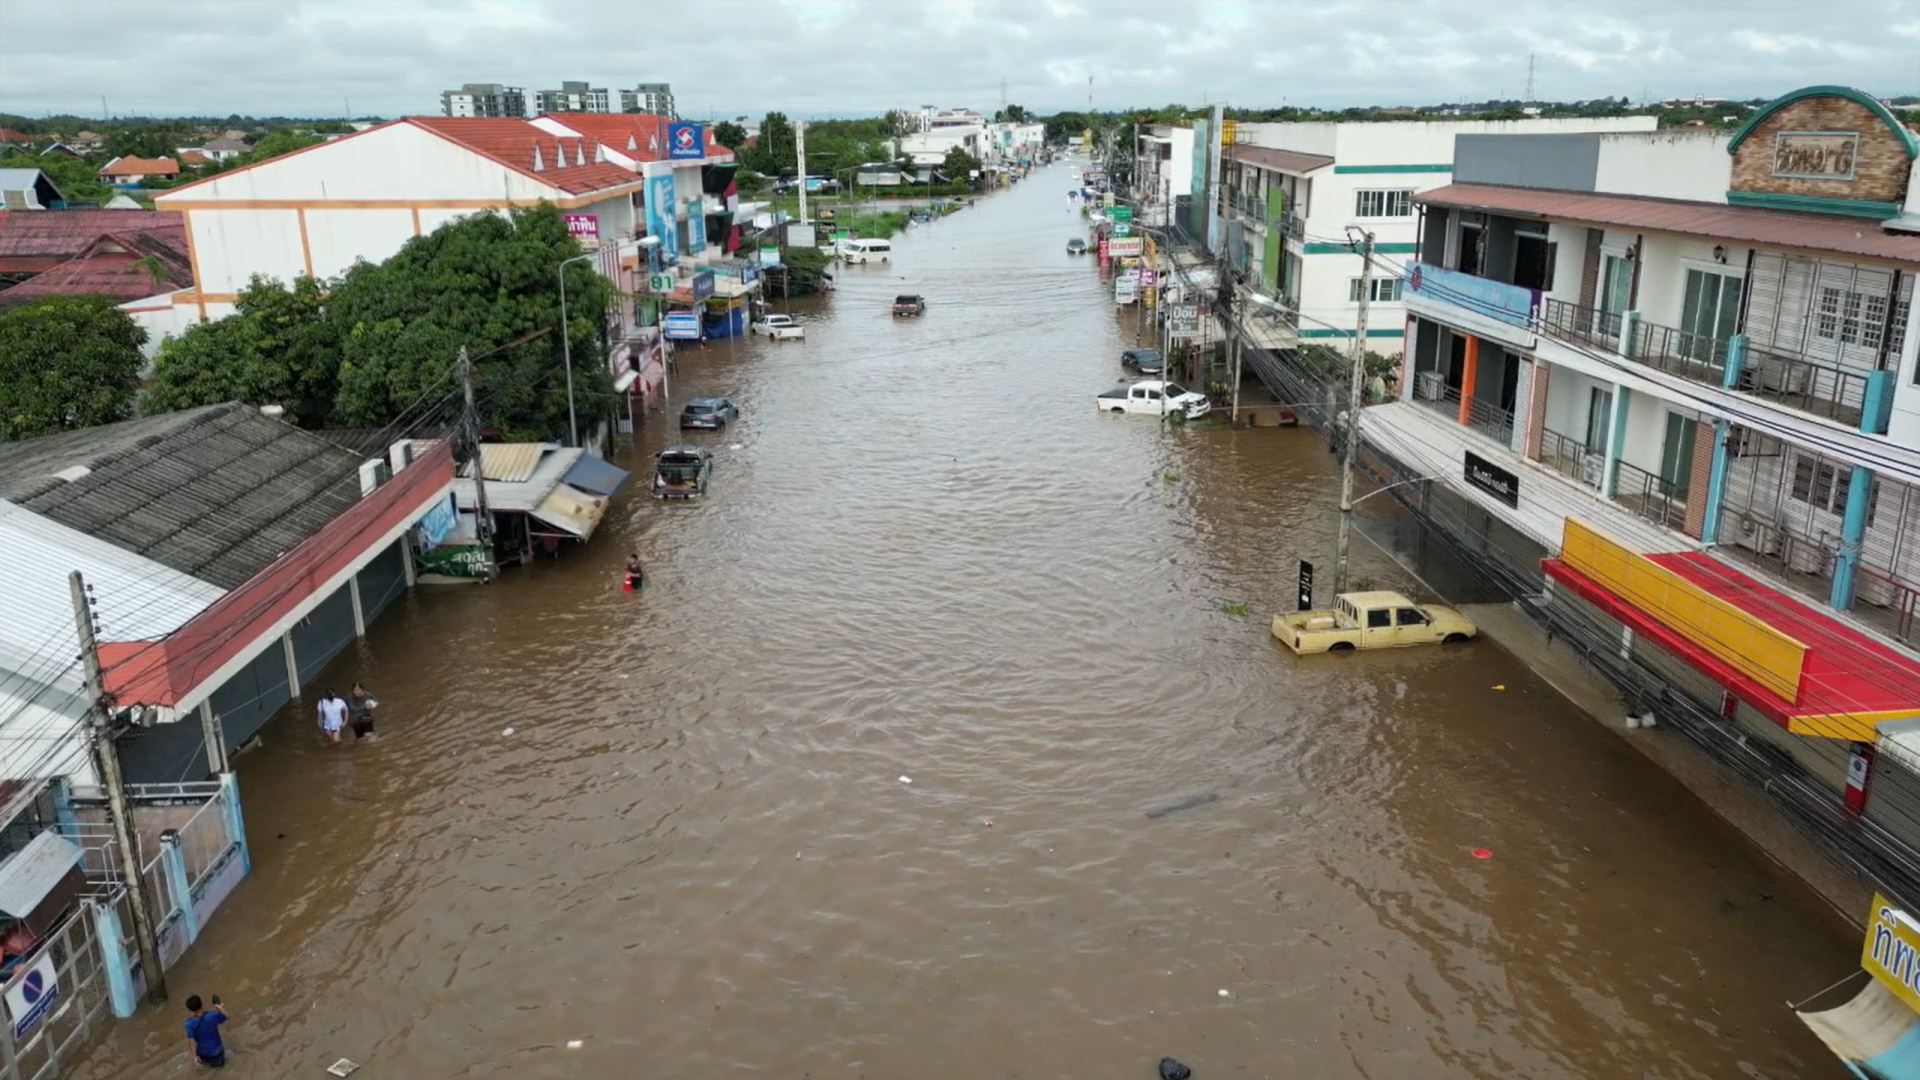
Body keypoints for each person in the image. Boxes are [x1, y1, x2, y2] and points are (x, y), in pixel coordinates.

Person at [184, 994, 227, 1068]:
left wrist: (194, 1057)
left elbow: (191, 1042)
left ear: (190, 1009)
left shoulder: (189, 1024)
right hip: (217, 1051)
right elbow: (226, 1016)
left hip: (202, 1054)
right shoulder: (212, 1016)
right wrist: (220, 1007)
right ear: (202, 1003)